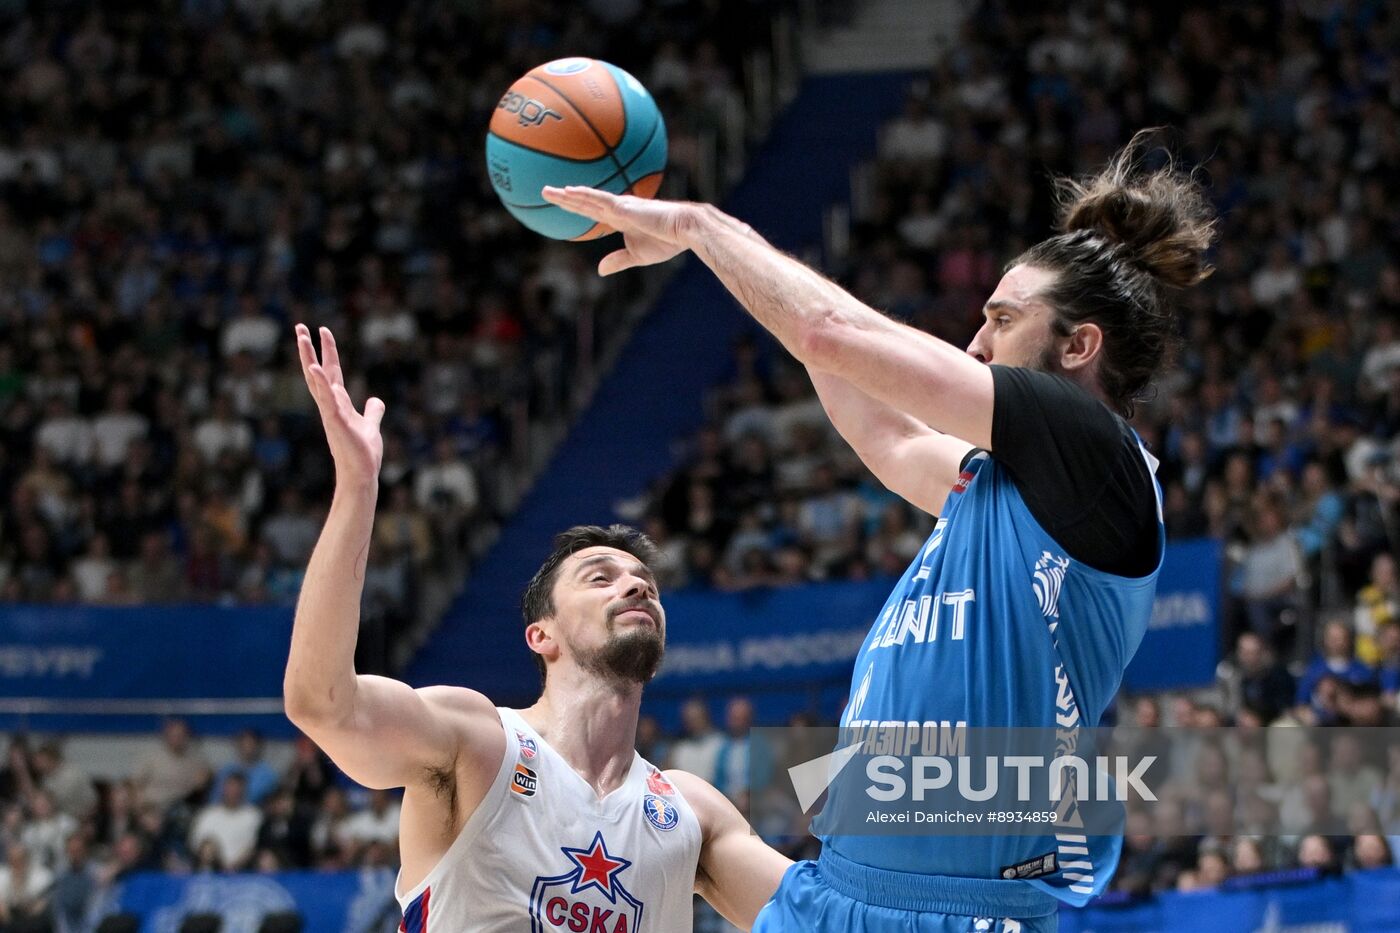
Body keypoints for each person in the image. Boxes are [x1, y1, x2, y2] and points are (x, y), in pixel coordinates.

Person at [543, 129, 1213, 931]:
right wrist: (757, 274)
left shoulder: (1098, 457)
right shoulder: (993, 480)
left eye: (1003, 319)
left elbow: (831, 333)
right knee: (687, 824)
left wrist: (700, 227)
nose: (977, 341)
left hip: (959, 913)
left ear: (1079, 345)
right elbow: (883, 431)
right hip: (840, 891)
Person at [283, 325, 789, 931]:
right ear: (541, 635)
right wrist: (358, 488)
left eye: (645, 583)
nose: (636, 587)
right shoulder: (478, 742)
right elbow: (321, 703)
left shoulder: (691, 811)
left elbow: (827, 917)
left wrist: (891, 781)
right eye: (600, 578)